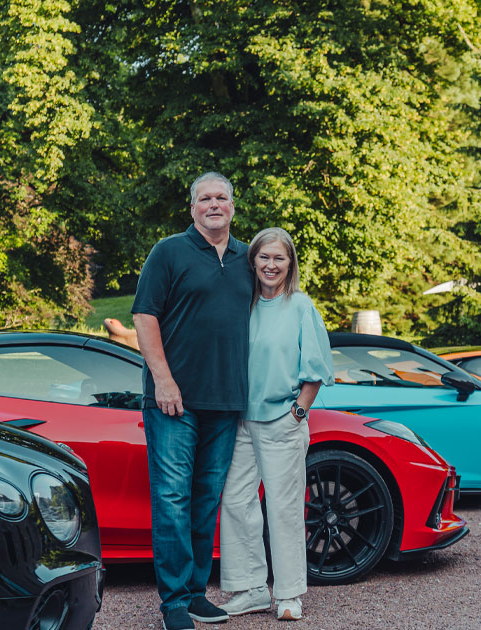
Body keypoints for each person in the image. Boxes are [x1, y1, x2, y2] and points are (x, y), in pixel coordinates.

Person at [131, 172, 254, 630]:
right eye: (205, 198)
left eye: (222, 197)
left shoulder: (248, 259)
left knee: (206, 500)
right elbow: (144, 317)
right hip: (173, 403)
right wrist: (164, 382)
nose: (214, 204)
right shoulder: (168, 252)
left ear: (233, 206)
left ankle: (197, 593)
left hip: (226, 401)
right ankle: (174, 604)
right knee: (172, 499)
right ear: (193, 208)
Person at [218, 227, 334, 622]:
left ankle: (288, 594)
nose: (271, 265)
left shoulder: (300, 306)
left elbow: (315, 369)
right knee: (236, 502)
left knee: (283, 509)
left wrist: (298, 413)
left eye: (278, 258)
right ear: (252, 261)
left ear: (290, 263)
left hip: (282, 421)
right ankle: (250, 589)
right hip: (241, 422)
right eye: (264, 257)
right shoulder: (244, 305)